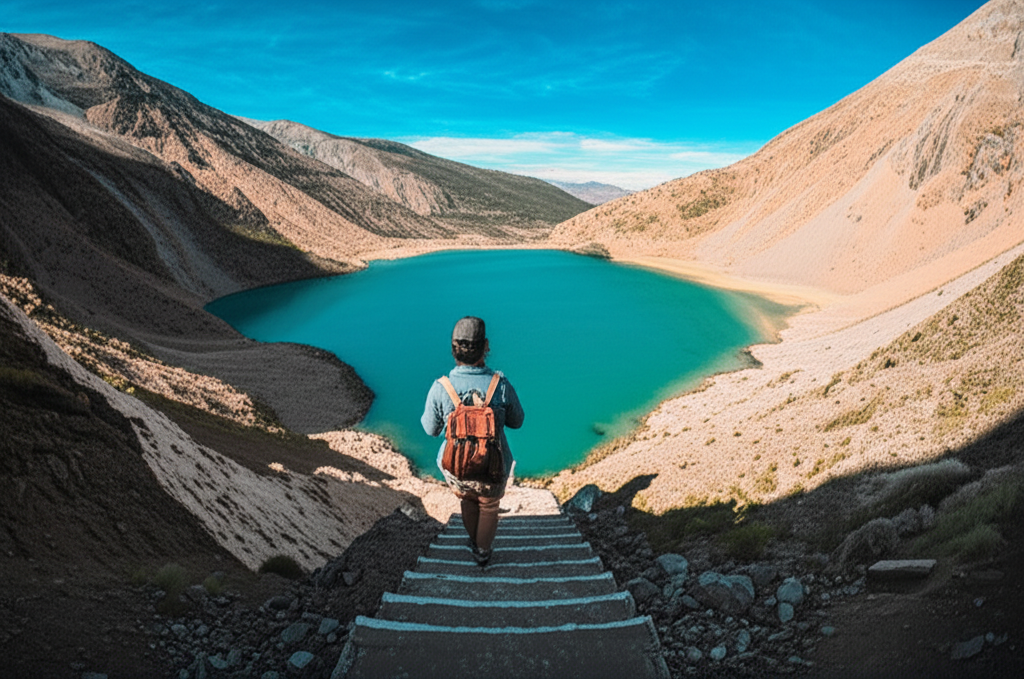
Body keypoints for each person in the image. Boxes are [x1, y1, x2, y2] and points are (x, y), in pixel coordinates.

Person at [421, 316, 524, 566]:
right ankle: (483, 552)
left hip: (457, 466)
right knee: (489, 505)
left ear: (453, 349)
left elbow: (430, 429)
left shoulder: (441, 387)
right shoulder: (500, 385)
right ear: (486, 346)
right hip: (493, 464)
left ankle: (473, 540)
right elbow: (517, 421)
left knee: (467, 498)